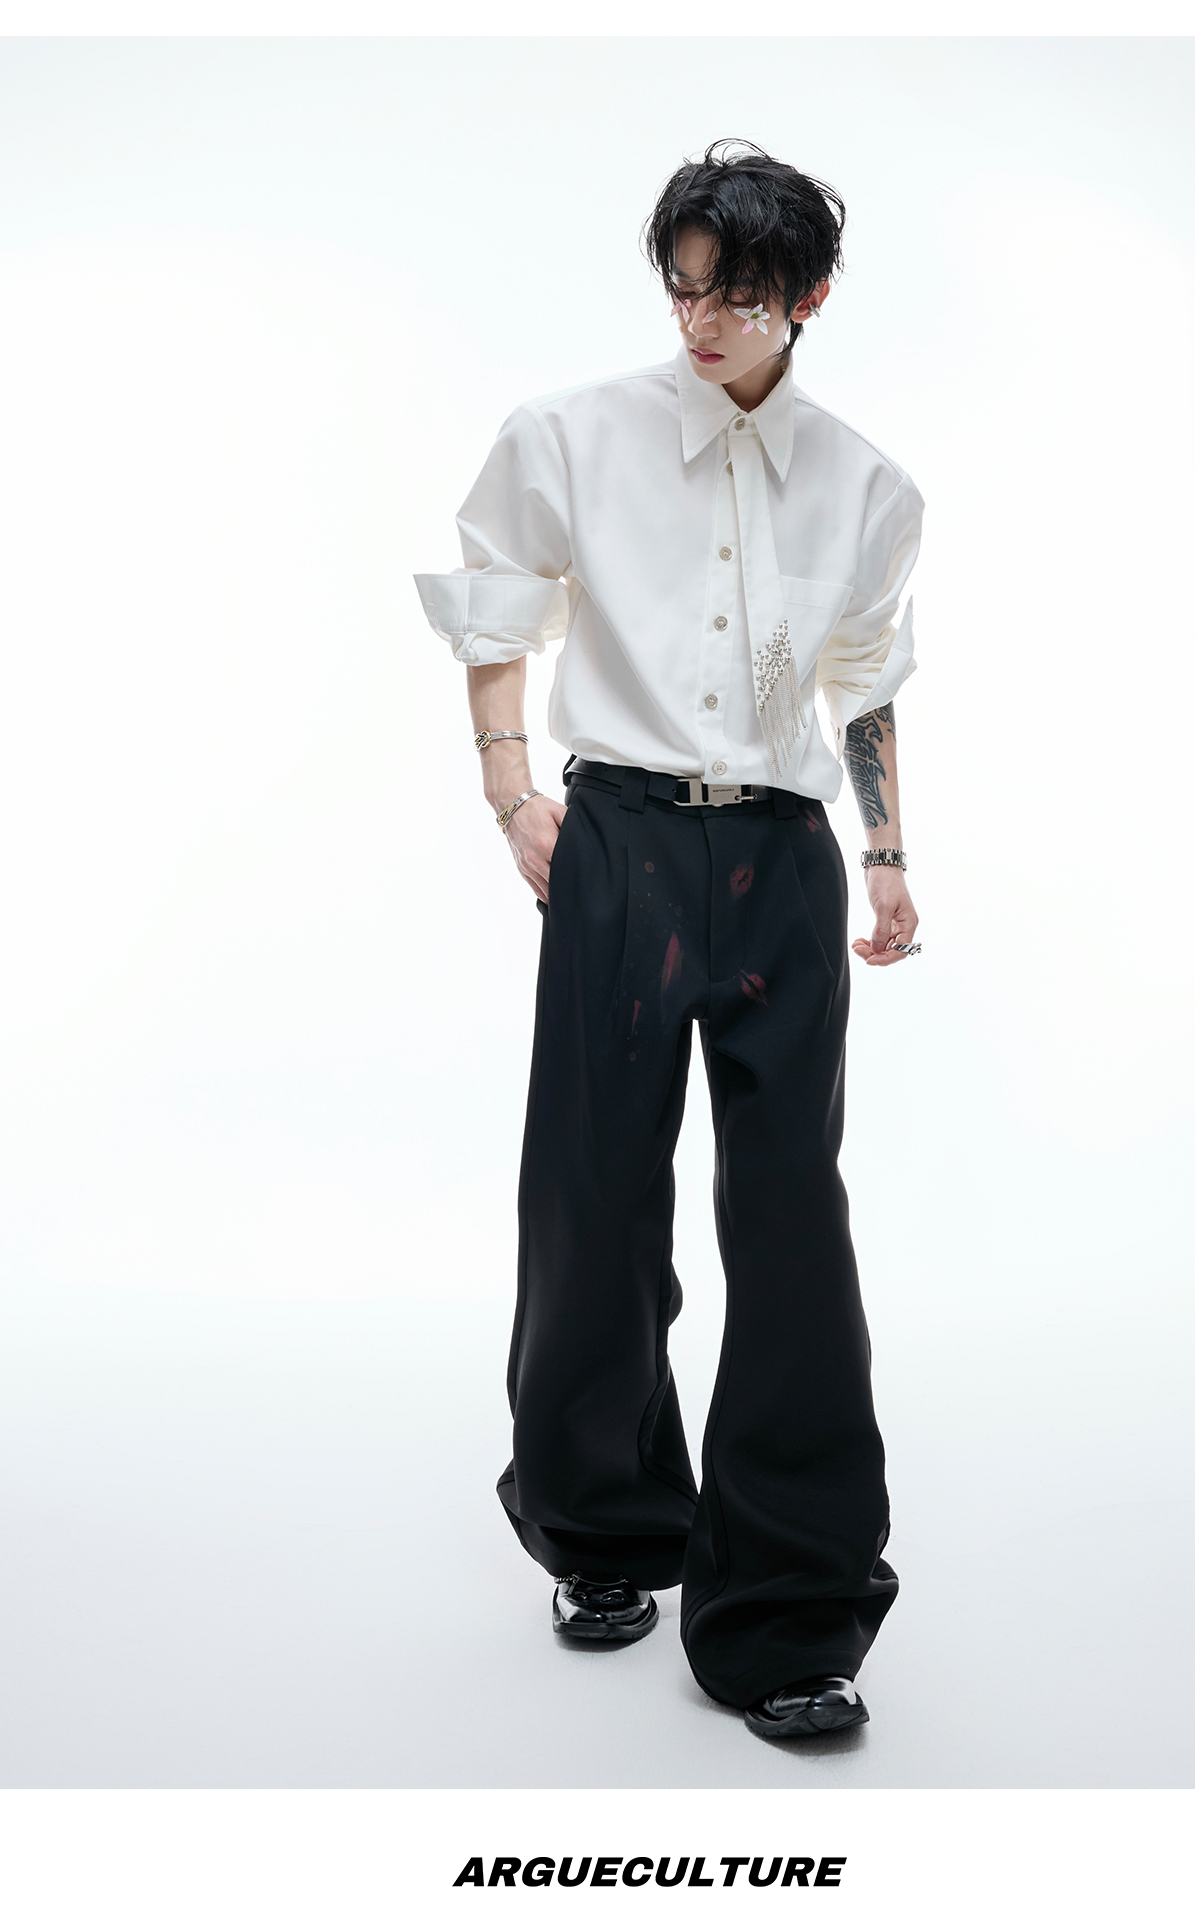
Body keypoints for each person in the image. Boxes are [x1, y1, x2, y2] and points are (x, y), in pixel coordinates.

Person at [415, 140, 923, 1739]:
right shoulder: (571, 434)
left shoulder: (870, 487)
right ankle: (606, 1527)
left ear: (807, 298)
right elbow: (498, 602)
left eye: (737, 296)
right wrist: (511, 792)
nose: (701, 321)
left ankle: (792, 1608)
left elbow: (864, 678)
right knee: (592, 1195)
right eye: (684, 288)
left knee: (791, 1223)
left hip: (781, 860)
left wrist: (887, 854)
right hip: (619, 848)